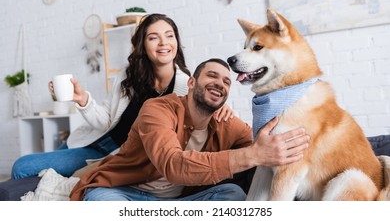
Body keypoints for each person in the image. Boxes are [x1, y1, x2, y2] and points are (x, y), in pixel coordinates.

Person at [11, 14, 233, 180]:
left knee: (22, 167)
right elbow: (106, 120)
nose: (164, 43)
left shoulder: (187, 86)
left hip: (115, 155)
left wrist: (221, 109)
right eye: (154, 38)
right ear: (143, 46)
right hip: (92, 140)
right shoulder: (130, 74)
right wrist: (82, 100)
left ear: (176, 42)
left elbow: (203, 114)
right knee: (30, 170)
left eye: (169, 36)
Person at [69, 58, 310, 201]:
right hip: (124, 193)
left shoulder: (227, 123)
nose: (220, 83)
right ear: (192, 83)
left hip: (178, 202)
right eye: (212, 76)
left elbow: (261, 146)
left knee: (232, 194)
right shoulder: (157, 109)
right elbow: (174, 165)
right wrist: (254, 154)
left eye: (226, 82)